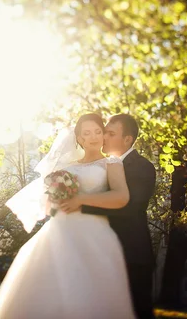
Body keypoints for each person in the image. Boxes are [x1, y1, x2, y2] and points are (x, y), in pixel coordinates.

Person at [0, 113, 136, 319]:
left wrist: (80, 199)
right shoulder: (67, 169)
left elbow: (121, 196)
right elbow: (51, 206)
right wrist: (57, 197)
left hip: (94, 233)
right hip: (60, 231)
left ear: (103, 134)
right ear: (80, 138)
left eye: (98, 131)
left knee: (89, 291)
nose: (93, 137)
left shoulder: (112, 163)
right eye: (87, 133)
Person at [65, 114, 157, 319]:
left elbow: (130, 207)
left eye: (110, 133)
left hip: (132, 254)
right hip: (101, 251)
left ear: (127, 139)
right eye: (103, 131)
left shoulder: (142, 167)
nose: (103, 136)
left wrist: (81, 205)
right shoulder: (103, 164)